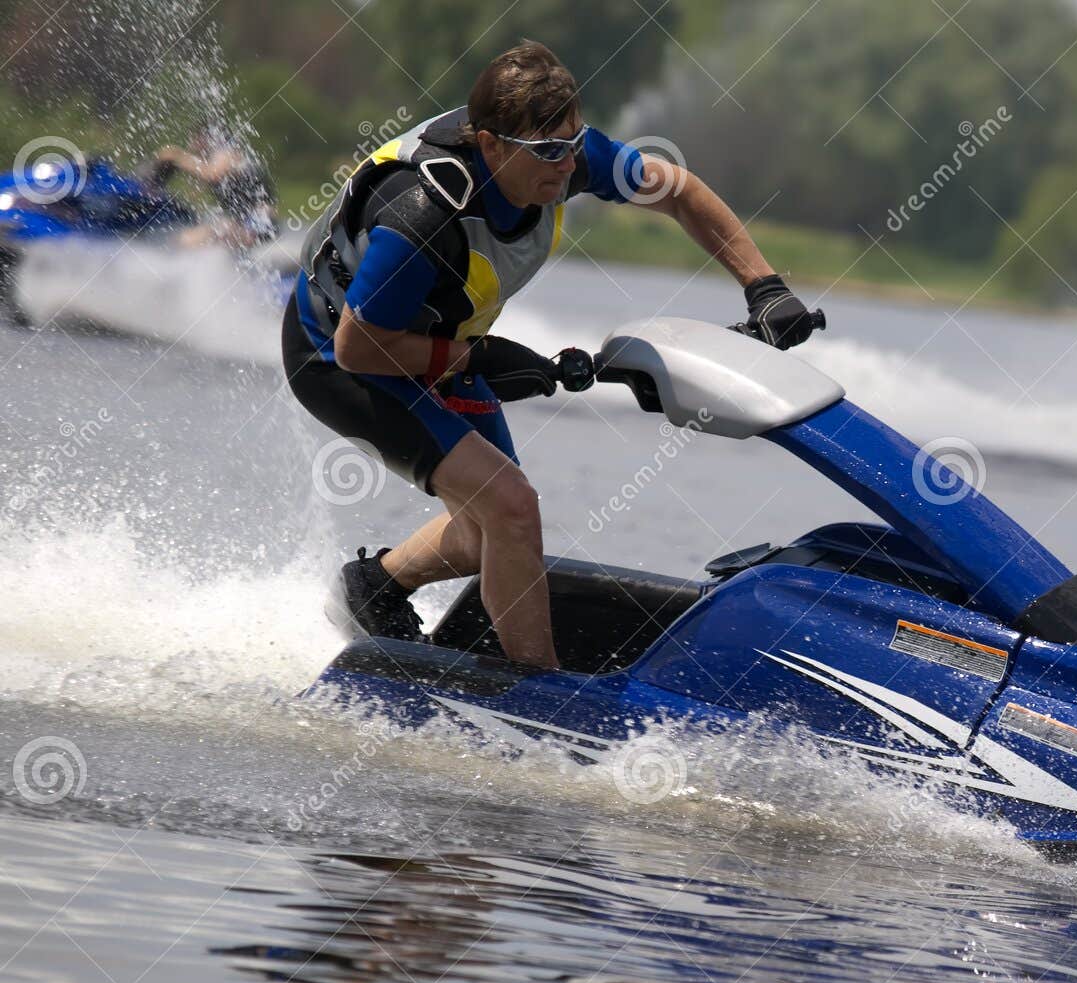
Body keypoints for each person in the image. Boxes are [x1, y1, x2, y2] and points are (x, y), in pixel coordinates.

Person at [282, 40, 816, 669]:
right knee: (511, 508)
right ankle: (541, 690)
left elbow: (677, 191)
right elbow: (359, 348)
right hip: (338, 354)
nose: (567, 166)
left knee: (486, 532)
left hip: (433, 336)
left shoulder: (564, 153)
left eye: (572, 143)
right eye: (548, 152)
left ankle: (377, 586)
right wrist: (479, 360)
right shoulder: (423, 217)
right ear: (490, 145)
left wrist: (764, 286)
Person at [152, 124, 277, 248]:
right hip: (243, 223)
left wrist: (177, 156)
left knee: (191, 239)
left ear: (204, 138)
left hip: (259, 223)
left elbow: (213, 174)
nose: (192, 145)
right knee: (185, 238)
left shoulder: (227, 151)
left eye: (194, 139)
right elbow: (196, 192)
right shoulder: (213, 162)